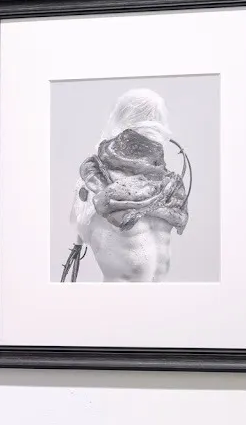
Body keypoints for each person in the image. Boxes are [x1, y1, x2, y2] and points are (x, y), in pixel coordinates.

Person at [64, 88, 191, 283]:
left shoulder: (169, 185)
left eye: (154, 117)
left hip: (162, 298)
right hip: (118, 299)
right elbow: (79, 230)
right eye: (147, 117)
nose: (151, 124)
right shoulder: (94, 179)